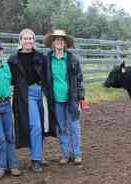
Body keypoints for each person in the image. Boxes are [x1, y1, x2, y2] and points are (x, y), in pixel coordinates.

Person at [8, 28, 57, 172]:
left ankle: (39, 155)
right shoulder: (13, 60)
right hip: (26, 94)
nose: (28, 41)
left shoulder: (41, 57)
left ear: (33, 41)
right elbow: (9, 80)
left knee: (42, 125)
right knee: (35, 125)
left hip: (41, 92)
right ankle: (35, 160)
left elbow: (48, 75)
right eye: (25, 38)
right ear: (20, 41)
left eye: (30, 38)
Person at [43, 29, 86, 165]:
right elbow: (44, 79)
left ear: (65, 43)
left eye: (62, 40)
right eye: (57, 40)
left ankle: (77, 154)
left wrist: (81, 96)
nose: (59, 42)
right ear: (53, 43)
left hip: (71, 98)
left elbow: (79, 79)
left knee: (74, 126)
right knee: (62, 127)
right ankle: (66, 154)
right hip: (56, 99)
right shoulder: (47, 60)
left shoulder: (72, 59)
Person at [0, 42, 21, 179]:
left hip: (6, 105)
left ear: (2, 52)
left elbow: (9, 83)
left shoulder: (6, 66)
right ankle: (1, 166)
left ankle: (13, 165)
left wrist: (10, 95)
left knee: (10, 137)